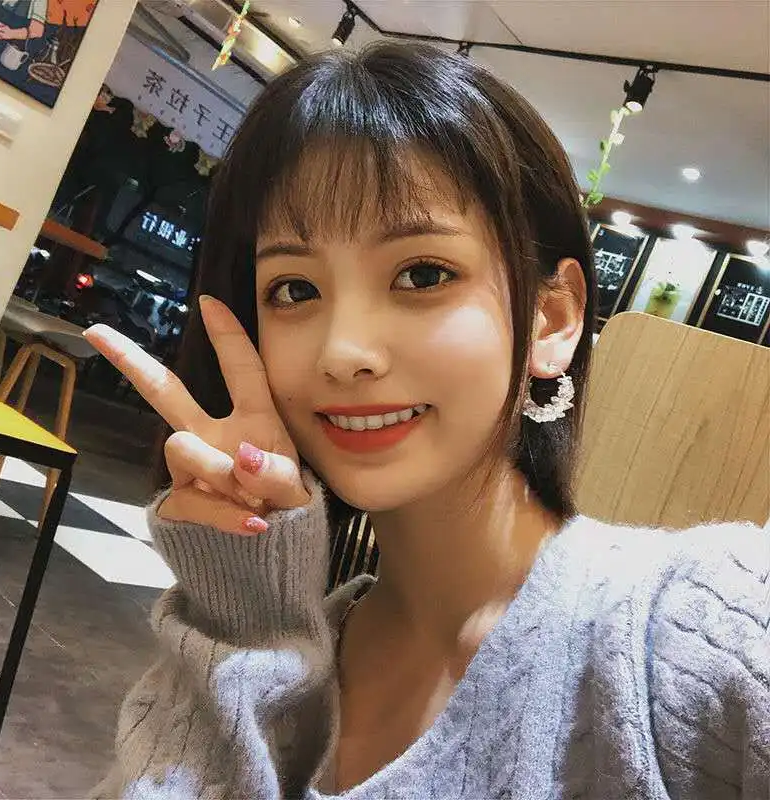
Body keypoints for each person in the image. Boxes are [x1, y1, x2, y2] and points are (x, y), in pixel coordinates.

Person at [85, 43, 769, 799]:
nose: (342, 352)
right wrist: (240, 616)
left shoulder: (699, 623)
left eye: (422, 274)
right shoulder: (279, 650)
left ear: (551, 320)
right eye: (294, 289)